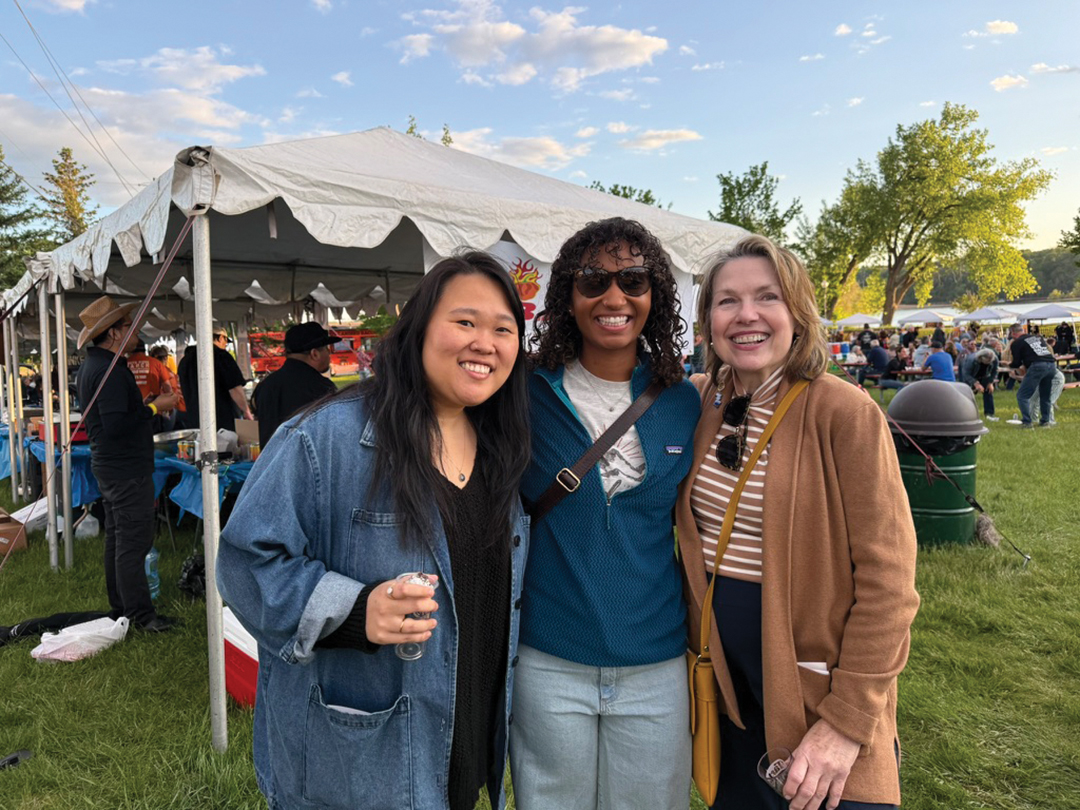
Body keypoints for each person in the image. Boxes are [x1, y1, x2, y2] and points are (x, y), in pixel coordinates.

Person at [217, 253, 531, 810]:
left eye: (503, 329)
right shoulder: (325, 438)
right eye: (465, 322)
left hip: (462, 749)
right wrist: (354, 609)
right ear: (417, 328)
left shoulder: (501, 446)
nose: (485, 342)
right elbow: (245, 562)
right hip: (362, 766)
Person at [677, 234, 919, 810]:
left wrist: (848, 720)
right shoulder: (698, 402)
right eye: (727, 301)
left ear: (798, 313)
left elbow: (889, 585)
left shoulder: (843, 411)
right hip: (725, 693)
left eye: (767, 297)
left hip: (815, 692)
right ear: (707, 320)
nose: (746, 315)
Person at [512, 217, 700, 810]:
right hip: (549, 659)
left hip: (656, 663)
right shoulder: (523, 393)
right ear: (568, 295)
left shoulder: (684, 401)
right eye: (593, 280)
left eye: (633, 280)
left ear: (656, 296)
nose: (613, 297)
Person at [74, 296, 180, 633]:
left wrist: (149, 403)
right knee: (133, 540)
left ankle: (122, 607)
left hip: (113, 465)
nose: (136, 329)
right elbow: (118, 426)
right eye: (128, 324)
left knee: (119, 537)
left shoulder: (98, 365)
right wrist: (155, 407)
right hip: (125, 468)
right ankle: (139, 615)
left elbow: (115, 418)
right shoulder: (108, 370)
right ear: (115, 333)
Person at [251, 321, 338, 448]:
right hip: (305, 465)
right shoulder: (322, 387)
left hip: (270, 465)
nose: (329, 355)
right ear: (315, 353)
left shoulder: (265, 385)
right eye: (327, 349)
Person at [177, 325, 253, 431]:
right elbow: (235, 388)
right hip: (221, 423)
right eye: (226, 340)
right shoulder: (221, 356)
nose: (226, 344)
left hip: (194, 422)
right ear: (221, 337)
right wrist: (246, 411)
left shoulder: (185, 361)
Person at [1007, 323, 1055, 428]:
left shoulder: (1017, 343)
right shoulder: (1037, 337)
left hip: (1037, 366)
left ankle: (1027, 422)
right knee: (1045, 396)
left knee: (1022, 395)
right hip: (1051, 366)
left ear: (1013, 333)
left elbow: (1016, 362)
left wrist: (1008, 365)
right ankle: (1045, 421)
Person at [960, 348, 999, 421]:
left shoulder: (994, 359)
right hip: (972, 376)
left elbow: (995, 370)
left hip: (985, 376)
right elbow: (966, 374)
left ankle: (989, 413)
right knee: (968, 394)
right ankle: (965, 413)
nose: (988, 363)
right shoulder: (971, 360)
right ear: (981, 358)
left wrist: (990, 382)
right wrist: (976, 383)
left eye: (990, 362)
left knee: (988, 392)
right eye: (987, 362)